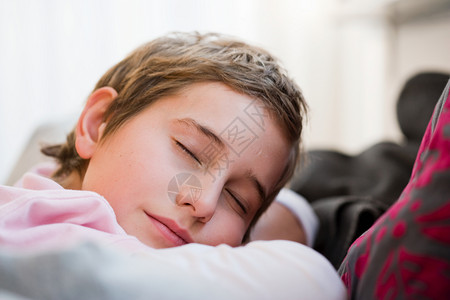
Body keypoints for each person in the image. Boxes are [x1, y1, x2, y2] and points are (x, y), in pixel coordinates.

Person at [0, 32, 345, 299]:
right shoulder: (23, 222)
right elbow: (311, 281)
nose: (204, 202)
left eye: (238, 201)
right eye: (190, 150)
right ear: (97, 123)